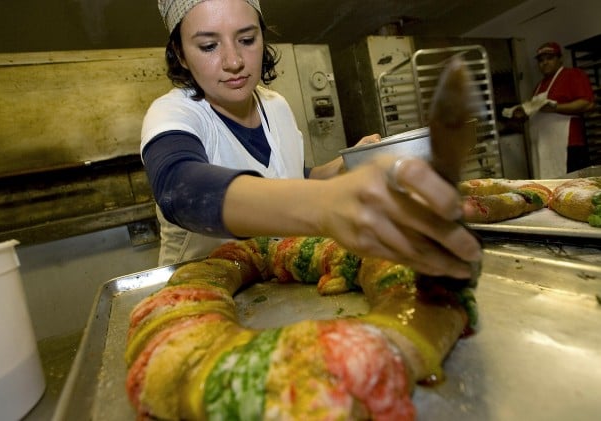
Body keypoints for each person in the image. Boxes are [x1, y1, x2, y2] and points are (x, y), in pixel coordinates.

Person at [142, 0, 481, 279]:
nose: (233, 61)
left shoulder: (275, 105)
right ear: (181, 53)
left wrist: (345, 169)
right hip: (199, 286)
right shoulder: (174, 113)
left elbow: (290, 177)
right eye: (208, 46)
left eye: (247, 40)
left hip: (279, 282)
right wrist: (325, 202)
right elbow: (179, 190)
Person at [511, 42, 595, 178]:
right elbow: (538, 112)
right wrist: (523, 114)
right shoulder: (539, 86)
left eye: (549, 58)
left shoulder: (573, 75)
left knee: (571, 188)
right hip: (543, 148)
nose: (544, 63)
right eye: (541, 60)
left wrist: (556, 107)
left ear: (560, 59)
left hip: (568, 146)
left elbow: (587, 104)